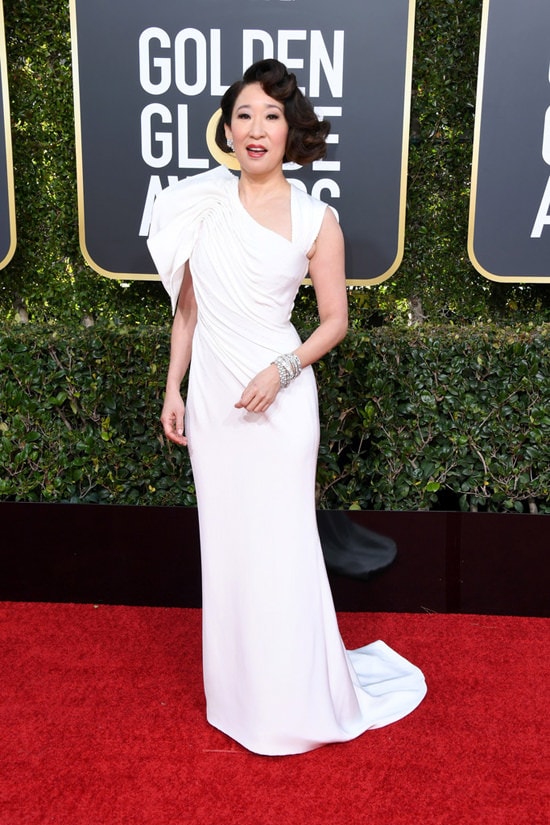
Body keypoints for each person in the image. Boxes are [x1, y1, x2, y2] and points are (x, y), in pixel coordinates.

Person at [148, 59, 426, 756]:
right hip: (214, 404)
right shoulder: (201, 204)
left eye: (270, 116)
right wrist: (174, 386)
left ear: (289, 130)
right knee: (229, 550)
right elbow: (188, 309)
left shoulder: (316, 219)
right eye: (243, 114)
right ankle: (241, 697)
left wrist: (282, 369)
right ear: (227, 129)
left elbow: (335, 321)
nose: (256, 128)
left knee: (282, 549)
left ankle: (296, 698)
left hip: (281, 402)